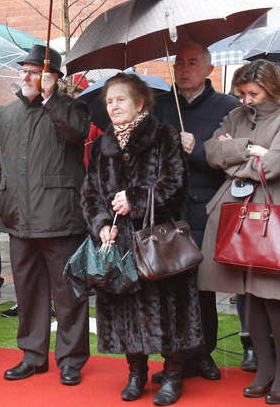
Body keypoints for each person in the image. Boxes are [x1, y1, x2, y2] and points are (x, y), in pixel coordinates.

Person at [84, 72, 202, 405]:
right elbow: (90, 193)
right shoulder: (101, 146)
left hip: (157, 242)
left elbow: (175, 185)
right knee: (124, 310)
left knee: (168, 310)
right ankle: (135, 373)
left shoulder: (165, 137)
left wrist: (135, 198)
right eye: (109, 101)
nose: (113, 106)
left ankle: (173, 374)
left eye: (120, 99)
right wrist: (101, 223)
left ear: (140, 103)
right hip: (119, 243)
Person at [0, 44, 90, 386]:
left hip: (61, 218)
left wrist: (50, 99)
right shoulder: (8, 114)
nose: (26, 76)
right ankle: (32, 356)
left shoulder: (71, 108)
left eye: (34, 72)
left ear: (53, 77)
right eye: (24, 71)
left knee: (69, 294)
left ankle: (71, 359)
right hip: (18, 219)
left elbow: (77, 132)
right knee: (28, 293)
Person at [200, 60, 280, 404]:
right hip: (237, 212)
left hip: (270, 211)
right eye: (242, 93)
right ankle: (264, 369)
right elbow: (212, 151)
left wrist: (240, 158)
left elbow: (275, 165)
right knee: (248, 295)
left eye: (254, 93)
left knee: (273, 296)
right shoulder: (238, 115)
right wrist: (248, 149)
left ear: (272, 89)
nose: (247, 99)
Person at [153, 42, 239, 381]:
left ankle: (204, 354)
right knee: (170, 287)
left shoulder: (227, 107)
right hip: (167, 211)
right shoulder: (159, 106)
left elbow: (232, 157)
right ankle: (175, 356)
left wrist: (197, 150)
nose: (184, 69)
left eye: (192, 63)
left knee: (203, 287)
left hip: (206, 209)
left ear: (208, 69)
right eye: (179, 63)